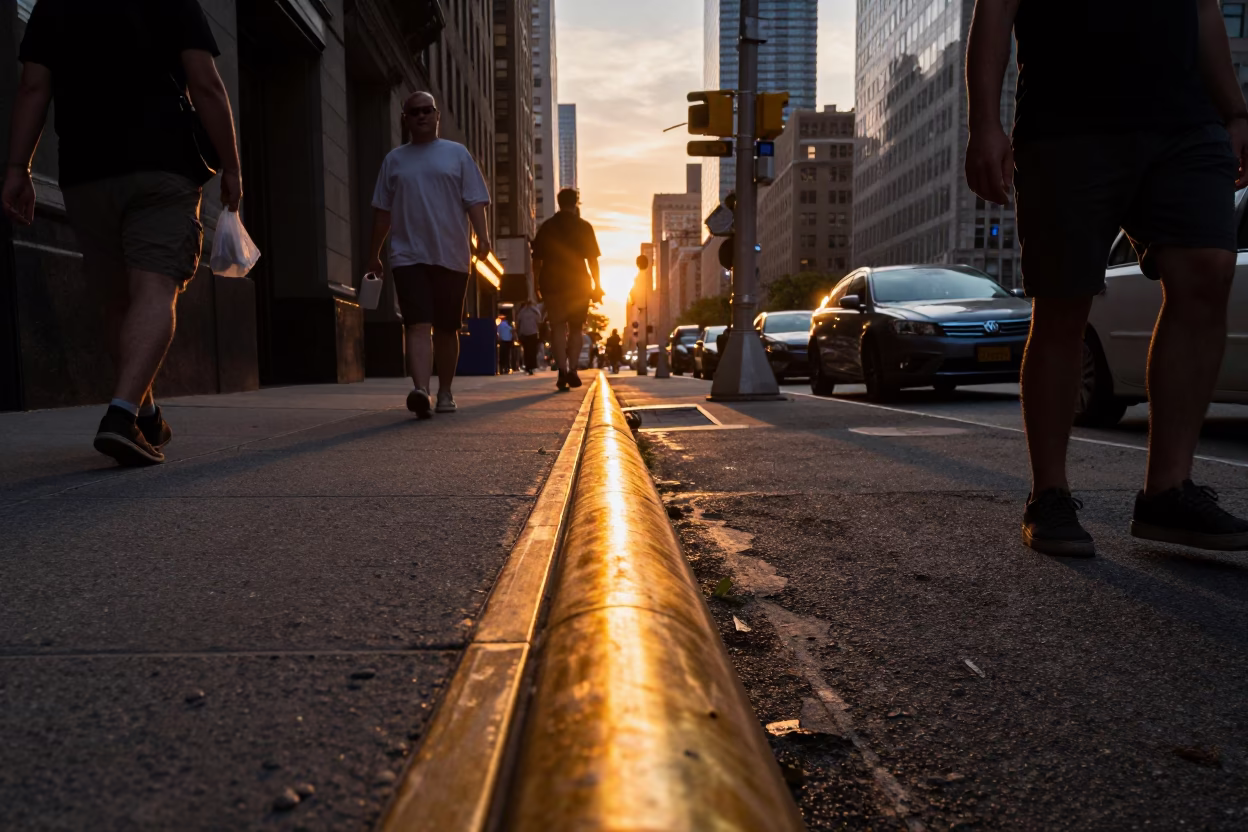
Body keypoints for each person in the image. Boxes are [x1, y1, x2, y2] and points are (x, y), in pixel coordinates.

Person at [965, 0, 1248, 555]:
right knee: (1064, 302)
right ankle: (1049, 494)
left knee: (1207, 270)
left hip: (1187, 123)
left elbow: (1204, 10)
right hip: (1067, 126)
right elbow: (995, 10)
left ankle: (1168, 490)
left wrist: (1236, 112)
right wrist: (984, 125)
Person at [369, 91, 491, 419]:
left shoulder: (457, 155)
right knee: (417, 324)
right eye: (414, 112)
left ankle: (446, 391)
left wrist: (483, 236)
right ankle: (421, 390)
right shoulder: (394, 160)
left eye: (427, 110)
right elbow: (382, 212)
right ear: (405, 119)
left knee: (448, 328)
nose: (421, 116)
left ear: (437, 116)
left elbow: (475, 200)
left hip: (451, 255)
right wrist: (374, 254)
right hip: (408, 255)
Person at [531, 189, 602, 392]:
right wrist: (597, 286)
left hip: (551, 283)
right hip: (578, 284)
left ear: (558, 202)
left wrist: (536, 285)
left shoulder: (547, 227)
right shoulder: (584, 227)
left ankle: (561, 370)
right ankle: (572, 369)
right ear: (576, 202)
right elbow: (593, 261)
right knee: (577, 328)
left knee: (558, 326)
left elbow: (536, 260)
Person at [515, 300, 543, 375]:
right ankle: (532, 365)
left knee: (526, 351)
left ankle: (528, 366)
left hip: (524, 333)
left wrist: (518, 333)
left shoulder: (521, 312)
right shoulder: (535, 311)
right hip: (533, 333)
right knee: (533, 351)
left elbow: (518, 322)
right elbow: (539, 321)